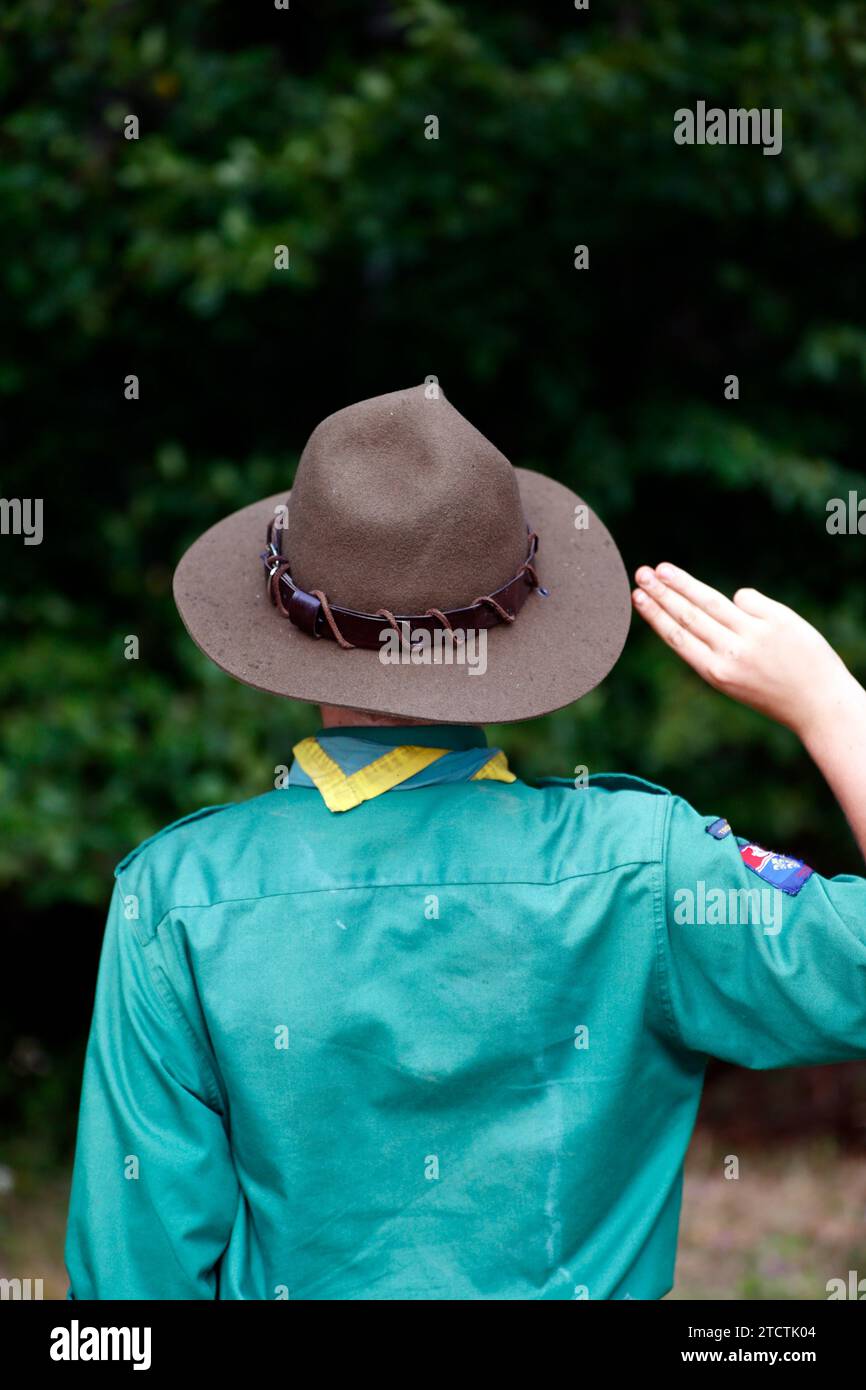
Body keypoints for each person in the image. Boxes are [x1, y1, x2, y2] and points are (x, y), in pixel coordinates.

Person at [65, 385, 866, 1300]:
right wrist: (832, 705)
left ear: (287, 622)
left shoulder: (173, 900)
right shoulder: (647, 870)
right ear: (518, 624)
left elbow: (130, 1294)